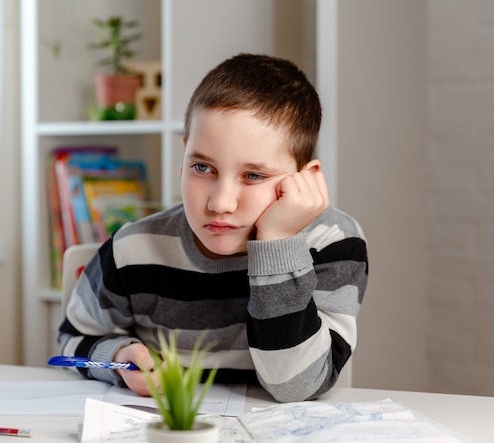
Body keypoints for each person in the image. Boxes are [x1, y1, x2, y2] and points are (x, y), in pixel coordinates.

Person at [58, 53, 368, 402]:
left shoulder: (333, 242)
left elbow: (295, 385)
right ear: (183, 156)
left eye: (253, 176)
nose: (220, 202)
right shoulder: (134, 248)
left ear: (303, 180)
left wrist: (278, 242)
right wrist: (119, 358)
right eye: (203, 168)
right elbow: (73, 340)